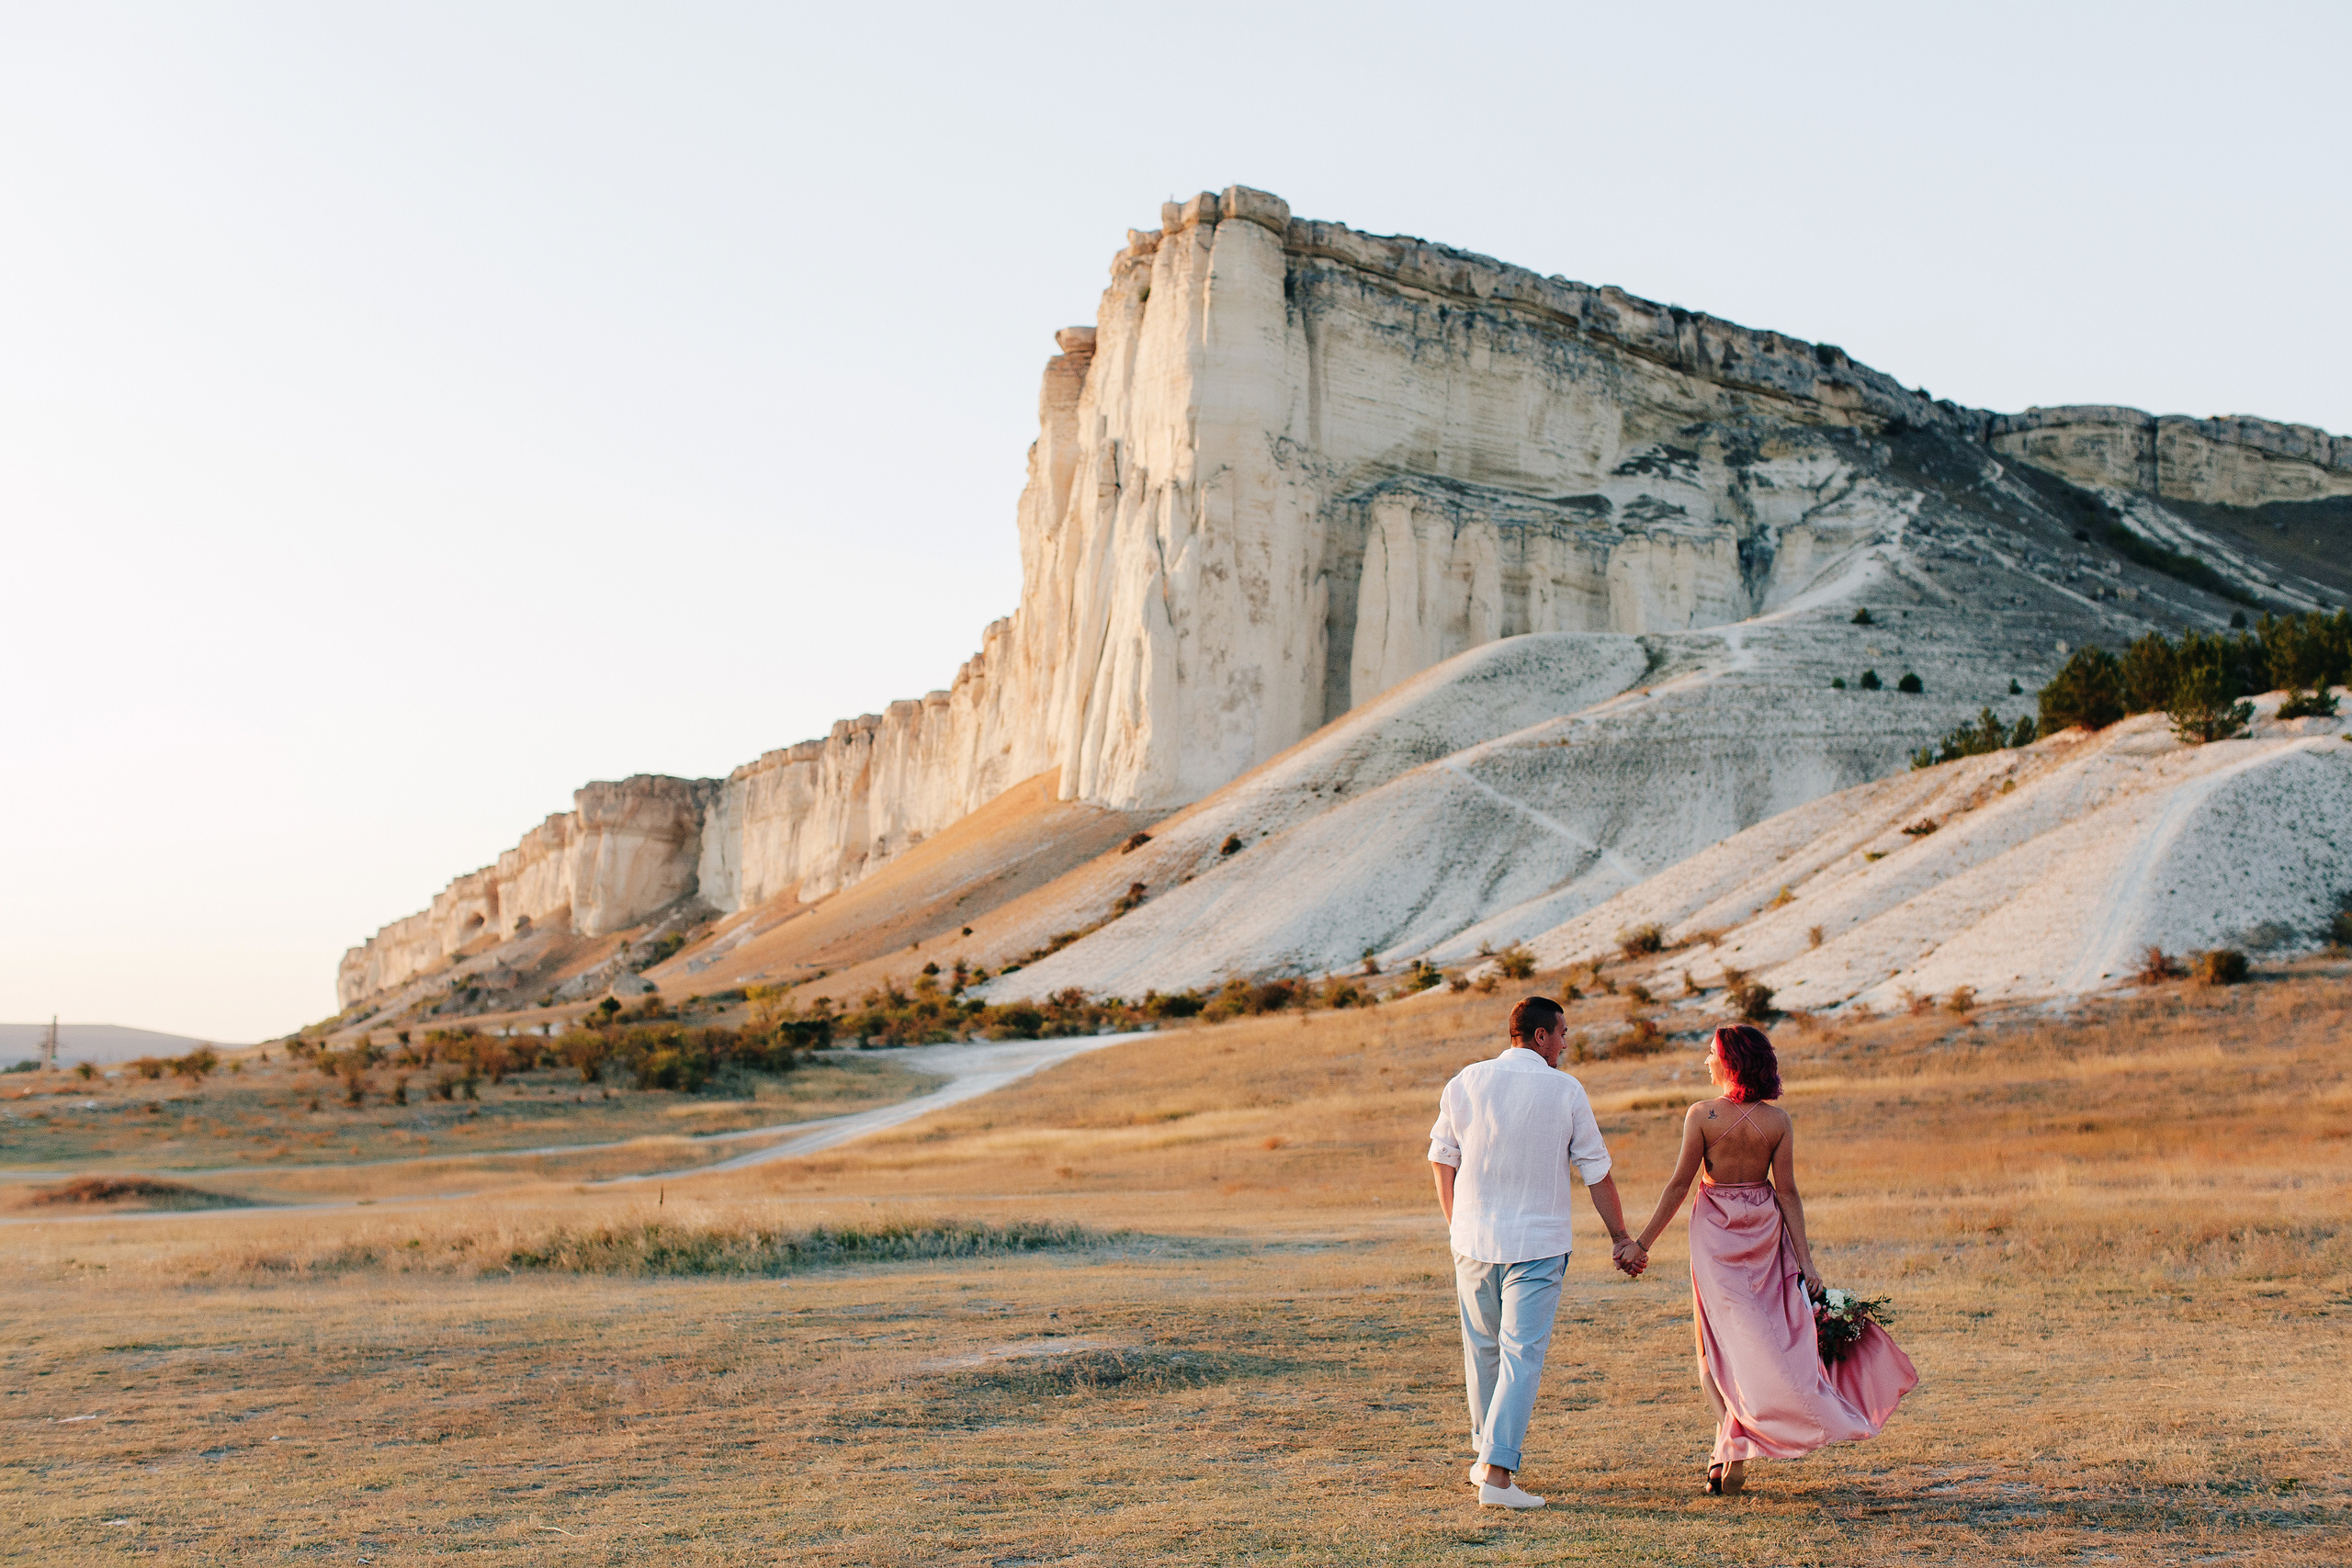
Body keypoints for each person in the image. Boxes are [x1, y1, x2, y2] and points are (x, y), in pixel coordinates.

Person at [1620, 1023, 1917, 1495]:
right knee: (1770, 1335)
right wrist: (1807, 1264)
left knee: (1711, 1344)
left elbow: (1678, 1186)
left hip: (1715, 1234)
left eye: (1711, 1053)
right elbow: (1789, 1193)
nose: (1706, 1061)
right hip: (1764, 1227)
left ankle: (1731, 1443)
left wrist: (1642, 1244)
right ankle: (1732, 1444)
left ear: (1730, 1062)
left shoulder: (1702, 1115)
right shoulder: (1778, 1121)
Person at [1429, 996, 1641, 1509]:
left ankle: (1485, 1458)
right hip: (1538, 1245)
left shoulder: (1466, 1081)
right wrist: (1619, 1237)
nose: (1566, 1044)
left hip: (1473, 1240)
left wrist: (1457, 1224)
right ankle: (1498, 1478)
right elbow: (1596, 1171)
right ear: (1541, 1035)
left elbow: (1442, 1157)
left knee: (1484, 1352)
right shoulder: (1565, 1090)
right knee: (1521, 1355)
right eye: (1562, 1033)